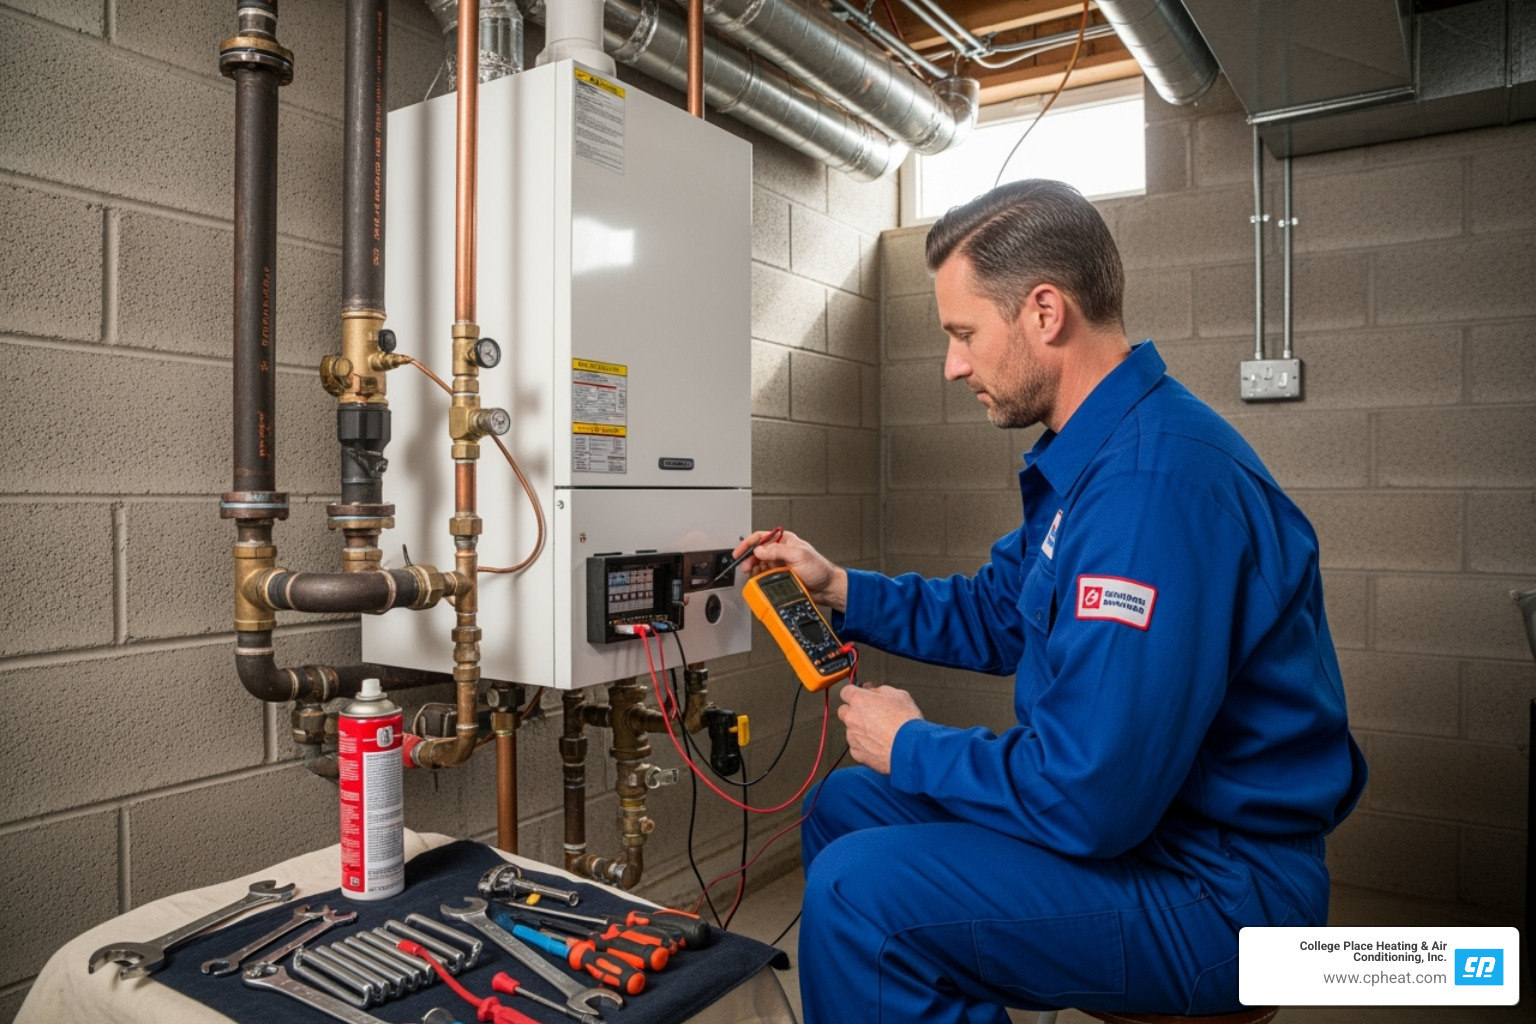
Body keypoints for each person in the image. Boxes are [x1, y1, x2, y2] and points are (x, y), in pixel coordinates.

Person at [731, 180, 1367, 1024]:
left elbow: (1088, 797)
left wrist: (915, 744)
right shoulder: (1093, 455)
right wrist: (840, 587)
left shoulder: (1151, 490)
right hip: (1156, 834)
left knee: (859, 896)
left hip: (1223, 894)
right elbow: (1002, 611)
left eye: (963, 333)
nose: (954, 364)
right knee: (848, 806)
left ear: (1043, 312)